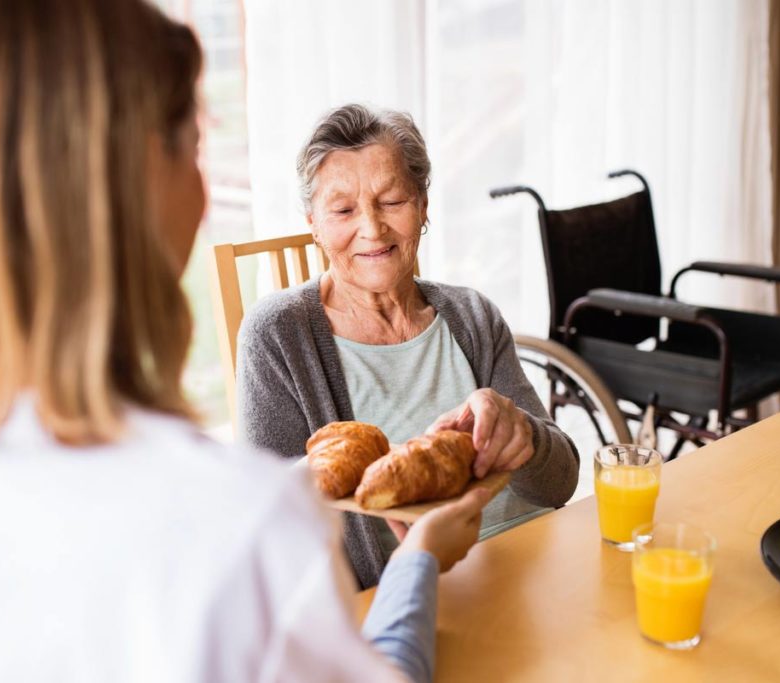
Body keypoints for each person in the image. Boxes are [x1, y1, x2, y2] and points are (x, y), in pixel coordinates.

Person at [0, 2, 488, 681]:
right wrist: (416, 563)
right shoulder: (237, 532)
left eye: (392, 200)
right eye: (193, 147)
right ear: (130, 185)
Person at [238, 103, 580, 589]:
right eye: (342, 210)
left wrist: (523, 434)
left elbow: (560, 483)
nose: (372, 229)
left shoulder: (472, 316)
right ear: (313, 221)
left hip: (533, 573)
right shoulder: (278, 335)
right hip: (411, 603)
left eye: (392, 200)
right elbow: (263, 528)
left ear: (422, 205)